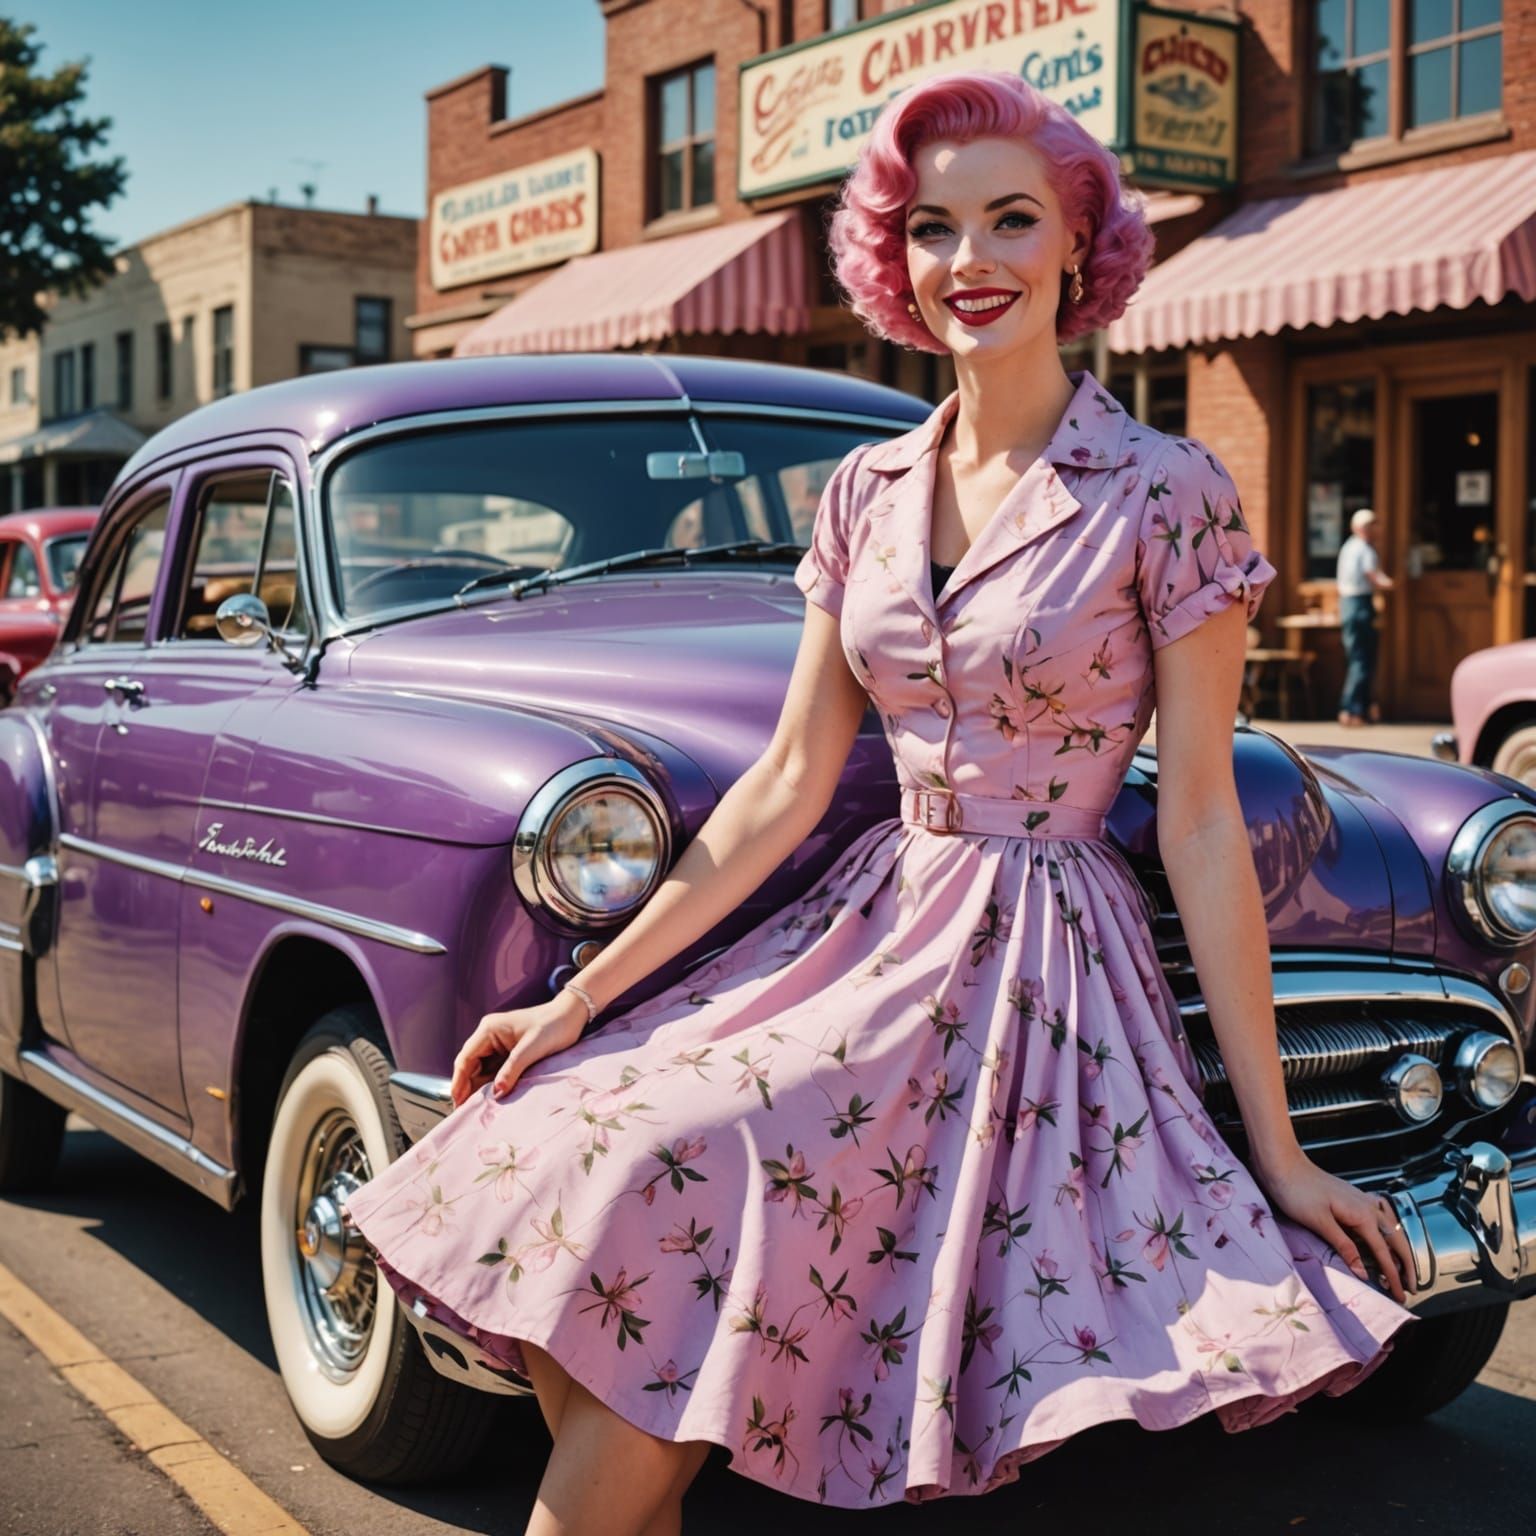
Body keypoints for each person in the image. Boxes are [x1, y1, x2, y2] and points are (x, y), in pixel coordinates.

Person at [339, 70, 1420, 1534]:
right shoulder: (864, 490)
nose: (969, 261)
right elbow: (786, 785)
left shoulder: (1164, 490)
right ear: (893, 258)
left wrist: (1280, 1152)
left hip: (1034, 967)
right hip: (875, 918)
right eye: (933, 228)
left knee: (688, 1178)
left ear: (1080, 243)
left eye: (1011, 221)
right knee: (560, 1138)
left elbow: (1204, 821)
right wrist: (576, 1003)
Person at [1335, 508, 1394, 726]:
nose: (1377, 530)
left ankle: (1358, 709)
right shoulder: (1364, 549)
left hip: (1347, 603)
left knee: (1356, 658)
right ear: (1362, 528)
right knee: (1362, 660)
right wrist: (1394, 584)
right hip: (1359, 604)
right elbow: (1374, 577)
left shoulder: (1348, 547)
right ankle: (1353, 710)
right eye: (1373, 525)